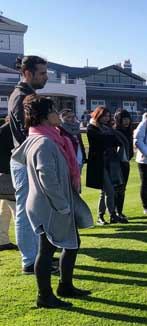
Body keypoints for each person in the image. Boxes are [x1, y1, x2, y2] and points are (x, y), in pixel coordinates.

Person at [11, 95, 93, 308]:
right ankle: (45, 296)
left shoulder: (48, 138)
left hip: (52, 203)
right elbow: (47, 178)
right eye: (54, 110)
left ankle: (65, 286)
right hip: (50, 206)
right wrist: (63, 206)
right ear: (44, 116)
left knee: (71, 244)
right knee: (46, 251)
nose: (58, 114)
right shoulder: (44, 142)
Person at [7, 56, 53, 274]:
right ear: (28, 73)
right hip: (24, 159)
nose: (46, 77)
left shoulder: (26, 95)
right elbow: (26, 133)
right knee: (25, 211)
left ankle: (37, 258)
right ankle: (29, 261)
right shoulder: (20, 97)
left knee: (34, 211)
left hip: (29, 158)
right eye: (42, 73)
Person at [86, 107, 125, 225]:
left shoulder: (107, 129)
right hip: (99, 163)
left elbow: (116, 142)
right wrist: (109, 139)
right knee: (110, 190)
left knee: (105, 191)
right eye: (104, 116)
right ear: (98, 115)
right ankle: (112, 214)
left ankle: (101, 216)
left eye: (108, 116)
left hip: (110, 162)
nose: (107, 118)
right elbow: (100, 142)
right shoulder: (92, 128)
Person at [113, 109, 134, 220]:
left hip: (125, 162)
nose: (126, 121)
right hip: (116, 164)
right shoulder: (116, 131)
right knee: (117, 188)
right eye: (123, 119)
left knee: (122, 188)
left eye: (127, 119)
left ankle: (119, 211)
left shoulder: (128, 131)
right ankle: (114, 212)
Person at [0, 117, 18, 251]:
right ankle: (28, 245)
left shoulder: (5, 130)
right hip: (9, 175)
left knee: (4, 210)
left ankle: (2, 241)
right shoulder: (9, 131)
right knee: (18, 213)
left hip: (5, 174)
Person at [58, 109, 87, 185]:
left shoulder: (77, 128)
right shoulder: (60, 130)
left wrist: (84, 157)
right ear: (62, 118)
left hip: (79, 160)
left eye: (73, 117)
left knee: (77, 186)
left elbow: (81, 144)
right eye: (69, 117)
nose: (72, 119)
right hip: (68, 162)